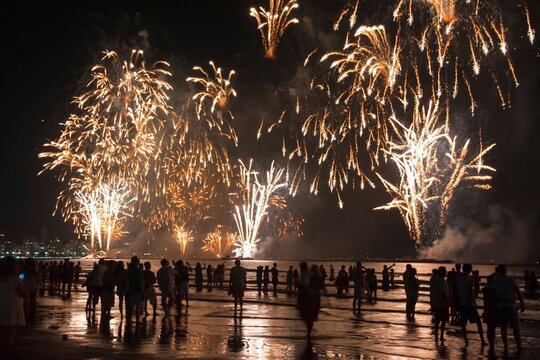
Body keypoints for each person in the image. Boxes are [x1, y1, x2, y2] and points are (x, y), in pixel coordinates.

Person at [491, 264, 525, 355]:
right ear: (505, 271)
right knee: (515, 327)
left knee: (503, 328)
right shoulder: (511, 280)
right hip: (511, 306)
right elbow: (518, 293)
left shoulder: (495, 282)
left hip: (501, 306)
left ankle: (506, 346)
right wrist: (522, 303)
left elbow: (490, 292)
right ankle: (519, 346)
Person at [0, 256, 27, 355]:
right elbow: (24, 293)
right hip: (11, 309)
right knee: (10, 334)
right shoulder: (15, 279)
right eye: (17, 264)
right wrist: (21, 277)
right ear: (12, 267)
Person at [457, 263, 486, 347]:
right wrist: (475, 278)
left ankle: (466, 341)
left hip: (462, 303)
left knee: (463, 323)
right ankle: (482, 340)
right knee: (478, 322)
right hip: (469, 304)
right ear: (469, 270)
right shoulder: (469, 280)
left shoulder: (459, 278)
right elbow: (473, 290)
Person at [298, 263, 323, 344]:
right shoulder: (311, 277)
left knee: (310, 318)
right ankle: (309, 334)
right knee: (310, 318)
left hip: (313, 300)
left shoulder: (311, 276)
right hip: (310, 300)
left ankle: (309, 333)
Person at [430, 266, 450, 344]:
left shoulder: (434, 280)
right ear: (443, 273)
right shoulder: (443, 281)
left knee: (437, 321)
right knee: (443, 321)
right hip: (443, 304)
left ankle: (436, 336)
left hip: (436, 304)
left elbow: (431, 293)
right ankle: (441, 336)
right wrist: (449, 303)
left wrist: (431, 302)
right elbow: (445, 294)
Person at [125, 256, 145, 326]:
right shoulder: (138, 270)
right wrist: (143, 290)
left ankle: (129, 320)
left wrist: (128, 288)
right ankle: (137, 320)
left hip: (130, 290)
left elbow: (127, 280)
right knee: (138, 307)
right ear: (137, 261)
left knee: (130, 307)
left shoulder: (129, 270)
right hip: (137, 290)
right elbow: (141, 281)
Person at [482, 275, 498, 355]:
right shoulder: (495, 289)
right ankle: (492, 345)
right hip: (493, 310)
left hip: (487, 310)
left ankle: (491, 344)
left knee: (489, 328)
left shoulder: (485, 289)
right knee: (493, 328)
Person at [23, 258, 41, 322]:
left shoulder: (24, 271)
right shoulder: (36, 272)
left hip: (26, 286)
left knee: (25, 302)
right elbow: (39, 280)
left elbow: (20, 278)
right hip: (33, 286)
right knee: (33, 300)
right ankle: (32, 315)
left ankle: (26, 316)